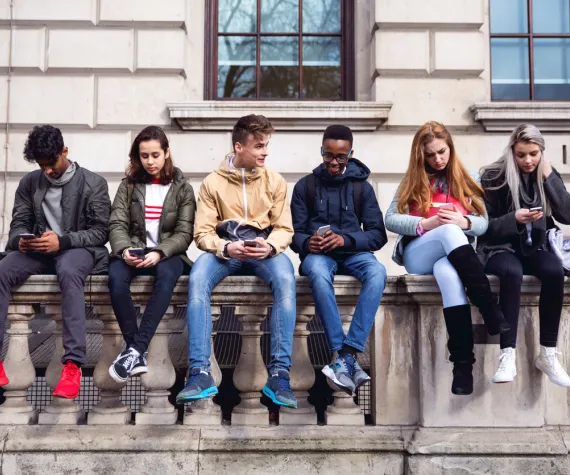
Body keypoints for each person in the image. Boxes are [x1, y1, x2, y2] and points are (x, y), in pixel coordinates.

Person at [176, 114, 297, 408]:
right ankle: (200, 372)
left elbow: (285, 229)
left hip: (263, 252)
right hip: (224, 252)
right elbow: (202, 233)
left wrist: (268, 246)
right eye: (259, 146)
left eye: (267, 145)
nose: (265, 152)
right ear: (239, 146)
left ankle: (279, 374)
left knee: (285, 279)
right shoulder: (212, 183)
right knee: (197, 279)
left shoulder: (275, 181)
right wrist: (225, 248)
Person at [385, 121, 509, 396]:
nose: (438, 159)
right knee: (449, 232)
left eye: (442, 152)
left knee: (449, 274)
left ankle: (462, 367)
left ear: (450, 148)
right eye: (430, 155)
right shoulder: (413, 179)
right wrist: (426, 224)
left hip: (450, 255)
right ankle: (489, 309)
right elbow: (390, 218)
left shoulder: (467, 178)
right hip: (419, 253)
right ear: (421, 155)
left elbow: (483, 223)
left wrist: (463, 220)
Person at [0, 125, 110, 398]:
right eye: (42, 165)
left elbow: (100, 232)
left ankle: (73, 365)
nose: (47, 170)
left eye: (52, 163)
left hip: (76, 251)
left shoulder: (93, 183)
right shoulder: (29, 183)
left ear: (65, 151)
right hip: (38, 252)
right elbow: (17, 226)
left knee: (69, 270)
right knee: (2, 270)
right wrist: (21, 241)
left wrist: (63, 241)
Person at [290, 125, 387, 395]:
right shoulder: (305, 186)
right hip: (318, 256)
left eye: (340, 157)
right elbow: (292, 233)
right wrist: (308, 242)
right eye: (328, 155)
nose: (333, 162)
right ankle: (340, 353)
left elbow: (378, 235)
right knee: (318, 275)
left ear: (350, 154)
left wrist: (346, 240)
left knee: (377, 272)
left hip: (355, 254)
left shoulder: (362, 189)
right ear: (321, 152)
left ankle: (348, 352)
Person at [479, 124, 570, 386]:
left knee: (554, 271)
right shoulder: (494, 177)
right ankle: (507, 354)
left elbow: (566, 214)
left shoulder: (546, 174)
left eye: (533, 153)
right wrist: (515, 219)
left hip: (535, 247)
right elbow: (485, 226)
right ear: (512, 152)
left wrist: (549, 176)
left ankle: (548, 354)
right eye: (521, 155)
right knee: (512, 272)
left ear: (541, 152)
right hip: (499, 249)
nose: (527, 160)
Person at [107, 126, 195, 383]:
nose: (150, 161)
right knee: (114, 277)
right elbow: (117, 224)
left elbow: (184, 233)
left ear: (166, 153)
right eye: (144, 156)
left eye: (155, 155)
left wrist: (159, 252)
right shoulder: (129, 186)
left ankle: (135, 349)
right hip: (134, 251)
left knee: (167, 276)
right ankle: (135, 350)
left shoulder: (182, 188)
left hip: (168, 255)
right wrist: (124, 251)